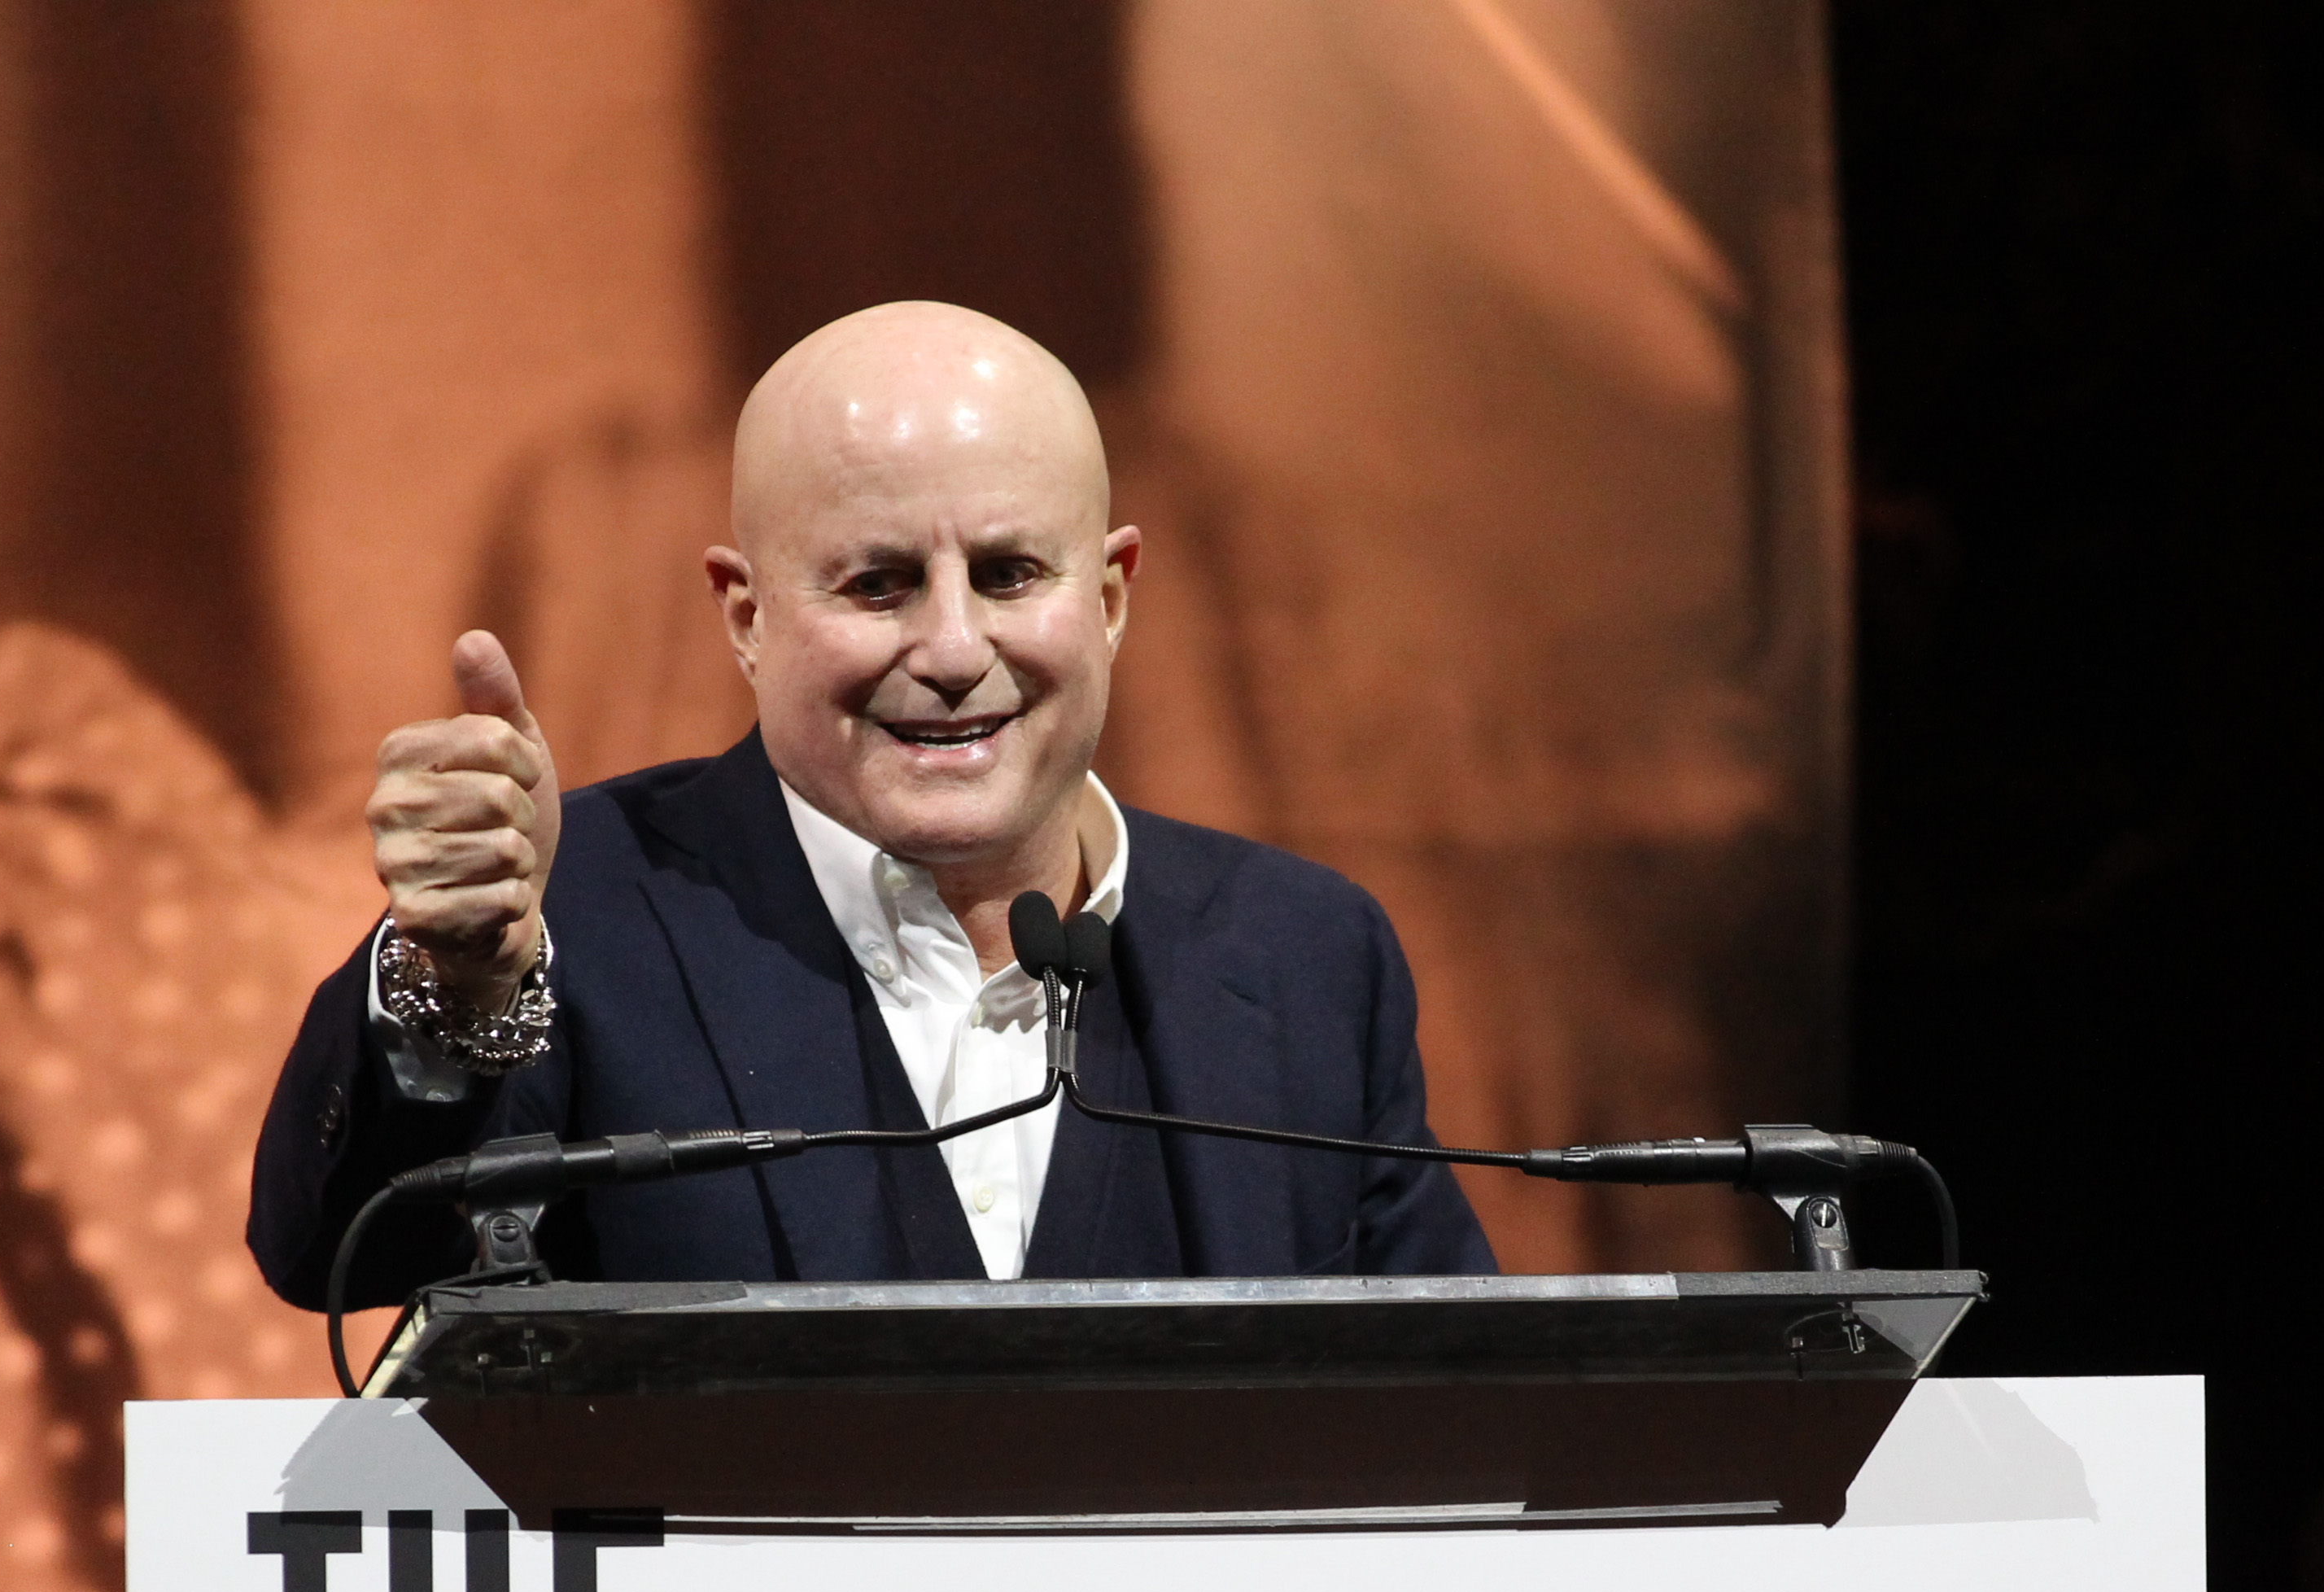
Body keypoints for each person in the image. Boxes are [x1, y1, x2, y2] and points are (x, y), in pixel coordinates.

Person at [249, 300, 1494, 1304]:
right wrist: (451, 995)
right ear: (747, 617)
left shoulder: (1303, 954)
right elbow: (334, 1255)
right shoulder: (571, 912)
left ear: (1110, 594)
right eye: (880, 585)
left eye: (1010, 574)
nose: (954, 649)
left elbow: (1466, 1422)